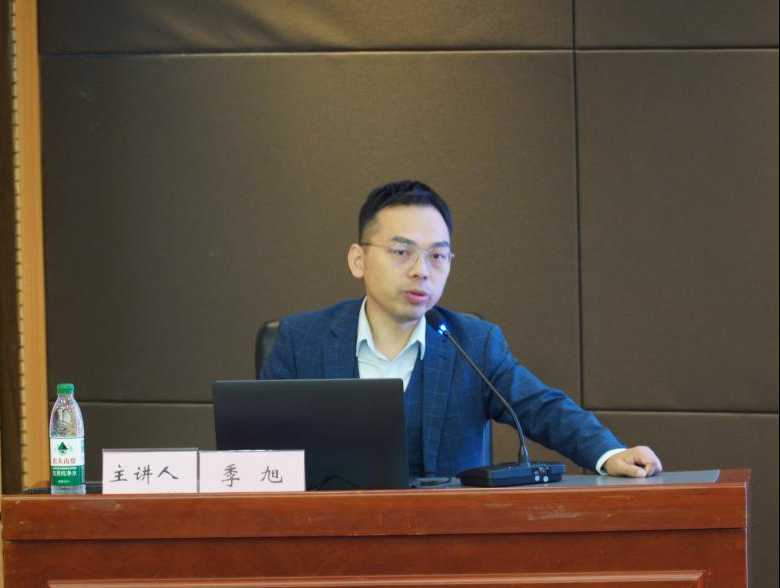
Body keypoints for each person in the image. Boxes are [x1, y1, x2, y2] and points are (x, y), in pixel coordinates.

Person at [261, 180, 662, 478]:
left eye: (437, 256)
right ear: (358, 260)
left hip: (448, 543)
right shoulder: (301, 341)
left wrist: (608, 453)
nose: (421, 270)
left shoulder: (472, 342)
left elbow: (541, 407)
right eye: (401, 252)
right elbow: (259, 453)